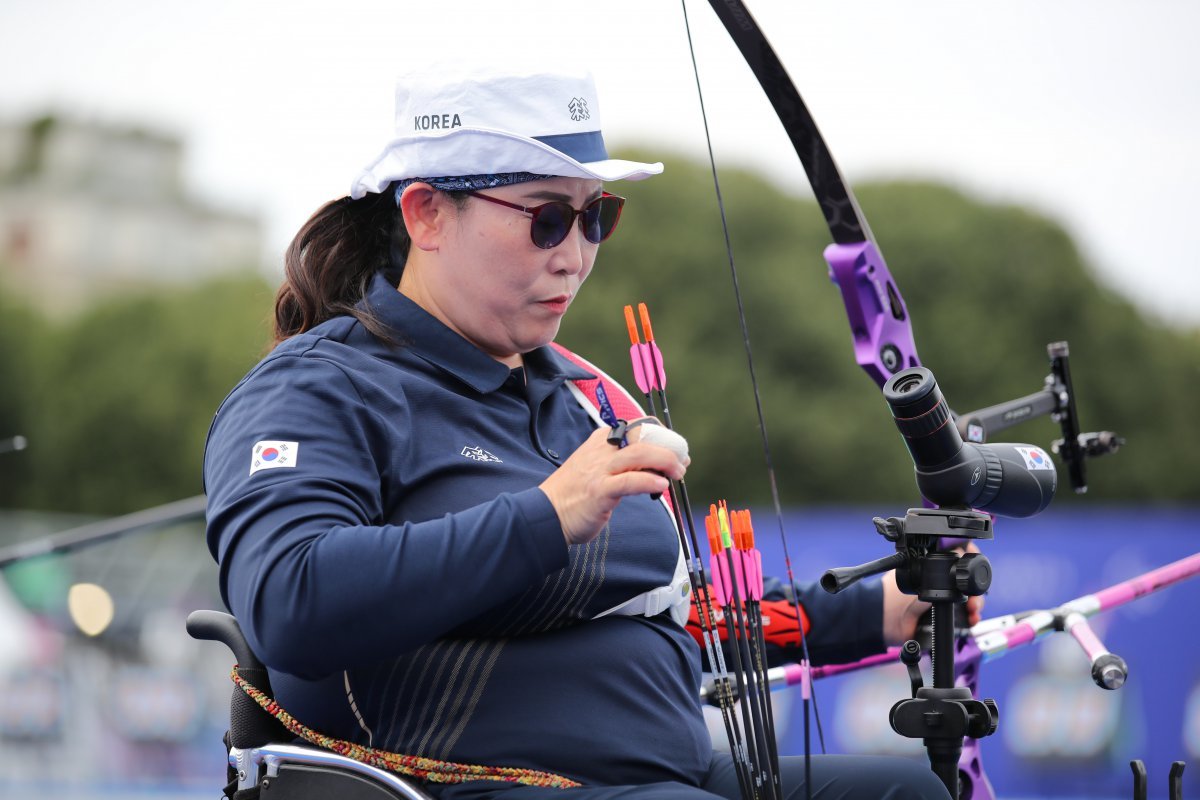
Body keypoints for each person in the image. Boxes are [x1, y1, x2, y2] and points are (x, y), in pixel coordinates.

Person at [203, 64, 960, 800]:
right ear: (426, 213)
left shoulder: (583, 394)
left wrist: (871, 610)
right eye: (547, 218)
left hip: (669, 772)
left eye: (594, 216)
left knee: (906, 789)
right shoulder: (316, 387)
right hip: (460, 785)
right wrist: (547, 515)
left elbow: (657, 601)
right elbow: (287, 601)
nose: (575, 255)